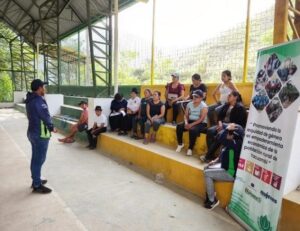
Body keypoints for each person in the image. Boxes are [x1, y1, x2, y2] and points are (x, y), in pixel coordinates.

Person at [25, 79, 57, 194]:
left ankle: (36, 179)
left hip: (32, 132)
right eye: (43, 87)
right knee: (39, 159)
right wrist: (52, 127)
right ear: (39, 88)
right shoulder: (39, 100)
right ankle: (37, 185)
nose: (45, 89)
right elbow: (45, 116)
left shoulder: (30, 99)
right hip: (40, 134)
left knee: (35, 158)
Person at [203, 123, 244, 210]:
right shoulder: (231, 142)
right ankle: (210, 193)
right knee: (206, 168)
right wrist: (215, 161)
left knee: (207, 173)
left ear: (234, 135)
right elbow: (224, 152)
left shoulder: (237, 143)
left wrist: (227, 130)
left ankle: (212, 200)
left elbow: (221, 138)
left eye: (229, 132)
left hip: (230, 172)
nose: (226, 133)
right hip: (224, 166)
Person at [200, 91, 247, 163]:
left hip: (232, 128)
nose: (228, 97)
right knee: (210, 131)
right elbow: (220, 116)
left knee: (220, 134)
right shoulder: (227, 105)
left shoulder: (240, 108)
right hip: (222, 125)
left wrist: (224, 126)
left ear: (235, 97)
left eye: (230, 96)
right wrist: (220, 123)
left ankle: (207, 156)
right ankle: (211, 154)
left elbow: (237, 124)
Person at [175, 90, 208, 156]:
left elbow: (201, 119)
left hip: (201, 123)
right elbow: (186, 115)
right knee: (179, 126)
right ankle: (180, 144)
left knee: (193, 129)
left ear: (201, 98)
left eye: (197, 96)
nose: (194, 97)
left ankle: (190, 148)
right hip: (190, 121)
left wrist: (191, 125)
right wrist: (186, 123)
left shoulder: (204, 106)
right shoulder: (189, 104)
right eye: (193, 96)